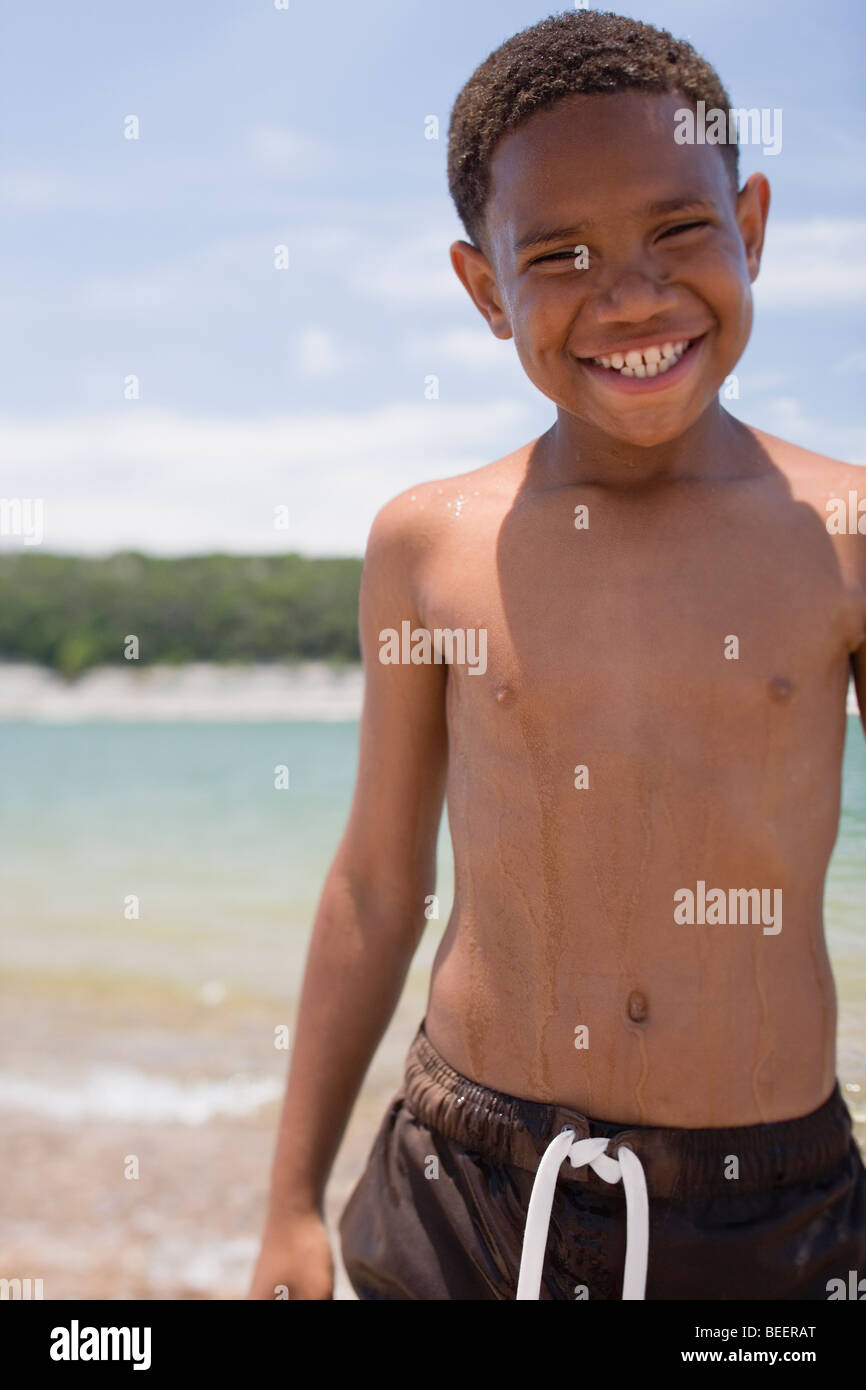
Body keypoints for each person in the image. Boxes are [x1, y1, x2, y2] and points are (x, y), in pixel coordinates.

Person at [250, 10, 866, 1300]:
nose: (632, 294)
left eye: (678, 232)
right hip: (459, 1190)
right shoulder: (432, 543)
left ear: (750, 226)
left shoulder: (843, 535)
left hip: (767, 1210)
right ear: (486, 289)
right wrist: (289, 1203)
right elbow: (374, 883)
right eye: (562, 253)